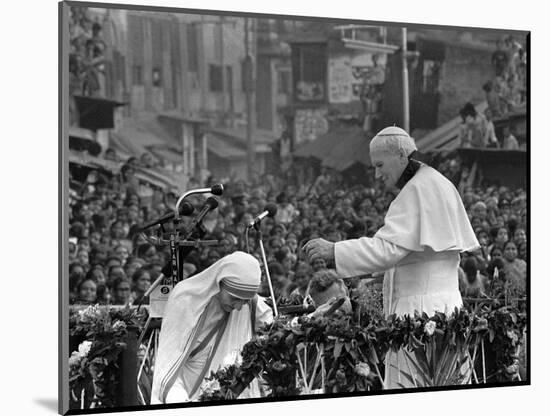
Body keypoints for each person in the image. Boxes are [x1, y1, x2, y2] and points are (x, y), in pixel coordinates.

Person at [303, 126, 479, 389]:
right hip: (446, 306)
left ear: (400, 156)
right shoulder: (437, 182)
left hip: (421, 313)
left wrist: (334, 250)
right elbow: (419, 256)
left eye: (380, 164)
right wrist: (386, 278)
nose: (376, 174)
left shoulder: (416, 190)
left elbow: (387, 250)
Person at [151, 251, 273, 404]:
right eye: (234, 299)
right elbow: (167, 369)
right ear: (219, 283)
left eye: (244, 301)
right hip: (184, 393)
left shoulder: (250, 302)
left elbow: (272, 326)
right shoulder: (185, 300)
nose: (239, 307)